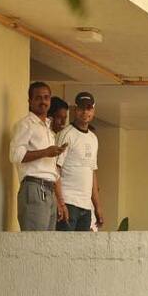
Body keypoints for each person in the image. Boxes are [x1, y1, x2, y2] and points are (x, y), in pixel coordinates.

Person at [9, 82, 67, 230]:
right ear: (30, 101)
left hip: (49, 189)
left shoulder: (47, 127)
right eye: (38, 98)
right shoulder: (25, 124)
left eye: (46, 97)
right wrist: (45, 152)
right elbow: (15, 155)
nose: (43, 101)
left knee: (46, 246)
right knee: (34, 244)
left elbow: (52, 169)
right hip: (34, 187)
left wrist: (60, 201)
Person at [55, 92, 104, 231]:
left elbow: (92, 172)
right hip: (68, 203)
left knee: (81, 251)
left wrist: (97, 206)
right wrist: (60, 202)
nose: (85, 112)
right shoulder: (66, 134)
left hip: (86, 206)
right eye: (82, 108)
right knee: (64, 248)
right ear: (75, 110)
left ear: (93, 111)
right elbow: (55, 169)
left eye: (89, 108)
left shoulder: (93, 139)